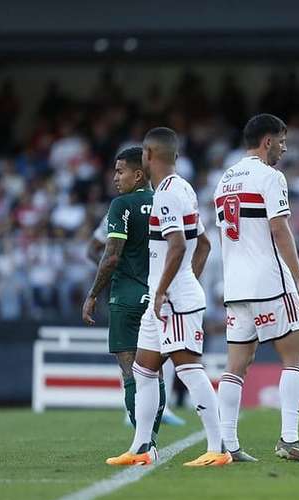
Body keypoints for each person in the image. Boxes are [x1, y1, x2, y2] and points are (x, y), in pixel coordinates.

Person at [105, 127, 228, 467]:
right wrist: (187, 279)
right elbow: (202, 243)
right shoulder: (183, 188)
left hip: (170, 299)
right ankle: (142, 447)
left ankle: (218, 448)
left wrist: (164, 290)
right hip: (167, 297)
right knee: (144, 372)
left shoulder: (167, 195)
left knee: (189, 370)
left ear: (148, 155)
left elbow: (176, 245)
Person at [214, 113, 299, 463]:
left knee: (236, 366)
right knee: (295, 357)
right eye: (281, 140)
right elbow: (280, 230)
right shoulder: (271, 177)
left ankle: (227, 444)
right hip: (270, 283)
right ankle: (290, 440)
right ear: (267, 141)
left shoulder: (224, 179)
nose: (284, 147)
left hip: (235, 286)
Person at [82, 147, 169, 444]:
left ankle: (143, 441)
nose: (115, 177)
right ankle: (151, 437)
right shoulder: (165, 200)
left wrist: (93, 294)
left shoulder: (121, 205)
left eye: (120, 171)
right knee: (155, 373)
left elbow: (110, 256)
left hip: (126, 297)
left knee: (130, 373)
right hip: (159, 296)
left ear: (139, 174)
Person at [86, 198, 185, 429]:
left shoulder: (158, 201)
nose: (116, 178)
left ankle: (158, 409)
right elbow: (95, 250)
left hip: (154, 288)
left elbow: (93, 248)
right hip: (147, 289)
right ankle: (141, 413)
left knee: (152, 349)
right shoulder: (126, 210)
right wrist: (116, 269)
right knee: (143, 350)